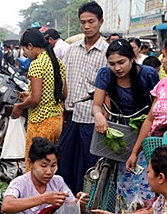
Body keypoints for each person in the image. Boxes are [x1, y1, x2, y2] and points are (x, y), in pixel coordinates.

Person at [92, 38, 159, 214]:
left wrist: (138, 148)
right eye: (112, 63)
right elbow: (97, 104)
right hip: (120, 130)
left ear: (132, 58)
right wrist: (98, 116)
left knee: (147, 184)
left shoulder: (148, 74)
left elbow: (154, 111)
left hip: (146, 132)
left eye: (121, 62)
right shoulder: (105, 75)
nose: (117, 68)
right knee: (122, 185)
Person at [58, 1, 108, 194]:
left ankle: (89, 205)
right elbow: (65, 81)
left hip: (93, 118)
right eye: (83, 22)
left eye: (91, 22)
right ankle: (67, 202)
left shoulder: (106, 52)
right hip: (71, 115)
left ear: (100, 22)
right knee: (66, 161)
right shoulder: (71, 50)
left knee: (90, 165)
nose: (87, 26)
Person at [127, 29, 167, 172]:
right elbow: (150, 120)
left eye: (165, 56)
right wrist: (135, 152)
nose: (161, 60)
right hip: (160, 157)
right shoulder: (163, 84)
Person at [12, 28, 66, 167]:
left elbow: (35, 99)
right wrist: (29, 96)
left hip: (40, 123)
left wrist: (19, 107)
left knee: (35, 168)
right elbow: (63, 94)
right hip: (56, 122)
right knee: (48, 166)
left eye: (25, 50)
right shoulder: (58, 62)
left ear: (30, 46)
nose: (25, 54)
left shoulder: (36, 65)